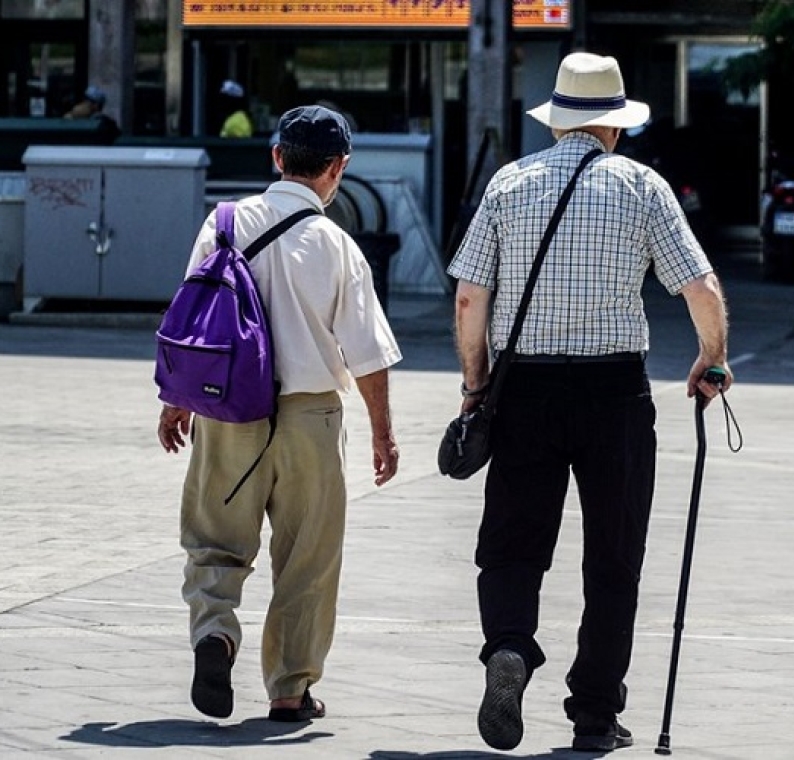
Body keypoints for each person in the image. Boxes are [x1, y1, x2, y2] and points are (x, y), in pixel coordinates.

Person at [447, 51, 732, 753]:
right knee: (613, 557)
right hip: (614, 394)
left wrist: (476, 382)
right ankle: (596, 714)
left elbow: (468, 298)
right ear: (614, 126)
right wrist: (711, 359)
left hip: (525, 391)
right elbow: (700, 288)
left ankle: (509, 647)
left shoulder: (509, 185)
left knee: (513, 545)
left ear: (558, 121)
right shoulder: (643, 187)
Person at [157, 104, 402, 722]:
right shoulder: (338, 245)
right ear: (338, 169)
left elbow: (192, 320)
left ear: (276, 157)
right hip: (311, 417)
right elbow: (368, 354)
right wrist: (383, 433)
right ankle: (290, 689)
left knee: (214, 538)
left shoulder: (223, 222)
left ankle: (214, 634)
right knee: (308, 556)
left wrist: (174, 401)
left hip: (227, 409)